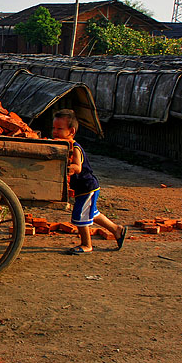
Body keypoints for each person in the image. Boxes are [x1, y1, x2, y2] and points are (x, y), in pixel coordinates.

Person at [52, 109, 127, 255]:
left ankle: (87, 244)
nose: (55, 132)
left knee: (80, 215)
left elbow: (77, 168)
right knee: (93, 214)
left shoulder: (75, 148)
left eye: (59, 129)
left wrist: (67, 169)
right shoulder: (63, 146)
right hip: (83, 188)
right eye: (54, 128)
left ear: (71, 131)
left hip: (87, 188)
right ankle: (117, 230)